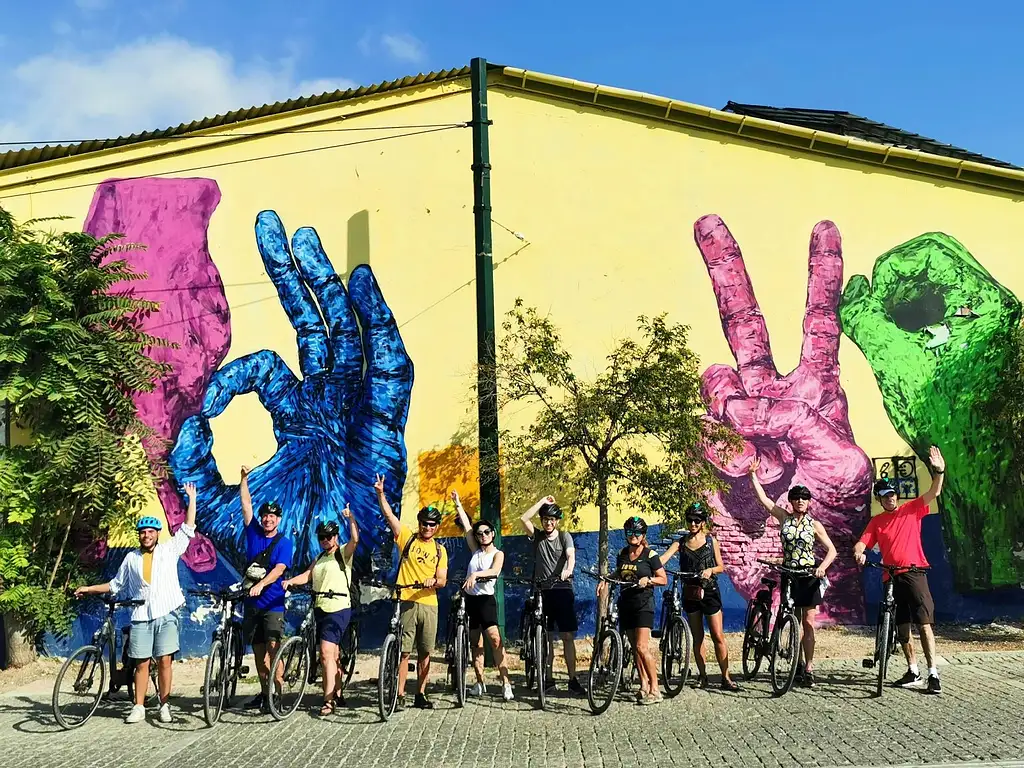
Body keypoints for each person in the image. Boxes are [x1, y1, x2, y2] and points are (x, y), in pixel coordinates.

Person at [75, 483, 198, 724]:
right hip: (141, 615)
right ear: (139, 535)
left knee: (165, 662)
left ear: (157, 533)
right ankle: (139, 706)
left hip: (166, 613)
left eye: (151, 531)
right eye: (143, 532)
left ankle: (164, 705)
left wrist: (191, 499)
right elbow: (115, 585)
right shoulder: (131, 558)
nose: (147, 535)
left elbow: (188, 528)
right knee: (141, 663)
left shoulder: (169, 550)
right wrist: (89, 589)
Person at [854, 445, 946, 694]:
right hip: (890, 576)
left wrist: (939, 472)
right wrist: (859, 551)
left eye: (893, 494)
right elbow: (863, 541)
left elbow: (934, 491)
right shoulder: (877, 521)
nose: (891, 498)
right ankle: (912, 669)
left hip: (914, 573)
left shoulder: (912, 509)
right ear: (880, 499)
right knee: (902, 627)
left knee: (924, 623)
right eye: (885, 496)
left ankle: (933, 673)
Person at [748, 457, 838, 688]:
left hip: (809, 575)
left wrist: (822, 568)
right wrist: (753, 476)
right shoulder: (784, 518)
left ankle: (808, 667)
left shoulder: (815, 525)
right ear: (791, 501)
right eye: (796, 498)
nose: (800, 501)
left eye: (804, 498)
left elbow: (832, 551)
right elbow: (764, 500)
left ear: (809, 502)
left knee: (808, 623)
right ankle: (795, 663)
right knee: (793, 619)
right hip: (789, 573)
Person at [375, 472, 449, 710]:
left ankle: (421, 694)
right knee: (404, 652)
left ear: (437, 527)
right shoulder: (407, 538)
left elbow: (443, 579)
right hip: (406, 600)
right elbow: (389, 516)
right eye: (424, 523)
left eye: (431, 524)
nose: (427, 527)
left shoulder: (440, 550)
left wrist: (433, 581)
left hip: (429, 604)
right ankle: (399, 695)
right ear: (419, 523)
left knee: (425, 652)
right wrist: (380, 494)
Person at [282, 505, 358, 715]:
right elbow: (308, 576)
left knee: (324, 653)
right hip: (320, 608)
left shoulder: (343, 553)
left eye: (328, 536)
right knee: (331, 655)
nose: (325, 540)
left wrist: (351, 518)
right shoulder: (320, 558)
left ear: (335, 537)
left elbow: (355, 540)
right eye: (322, 537)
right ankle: (338, 693)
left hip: (339, 608)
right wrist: (289, 581)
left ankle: (328, 701)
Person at [659, 501, 739, 692]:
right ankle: (702, 676)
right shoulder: (680, 542)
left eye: (697, 520)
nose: (693, 524)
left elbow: (721, 566)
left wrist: (711, 570)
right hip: (690, 593)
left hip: (710, 592)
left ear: (703, 522)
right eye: (690, 520)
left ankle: (725, 677)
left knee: (718, 635)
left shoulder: (712, 542)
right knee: (697, 637)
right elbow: (663, 559)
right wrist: (649, 563)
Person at [239, 465, 294, 711]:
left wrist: (261, 585)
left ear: (278, 519)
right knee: (259, 654)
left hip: (272, 604)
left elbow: (280, 569)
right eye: (265, 515)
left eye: (272, 516)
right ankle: (264, 693)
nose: (268, 519)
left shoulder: (284, 542)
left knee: (274, 650)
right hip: (251, 605)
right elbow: (246, 505)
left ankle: (278, 696)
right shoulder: (254, 533)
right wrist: (243, 479)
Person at [451, 490, 514, 701]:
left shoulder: (498, 553)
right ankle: (479, 682)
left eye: (487, 532)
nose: (483, 535)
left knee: (495, 640)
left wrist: (476, 575)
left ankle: (506, 682)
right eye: (480, 533)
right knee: (475, 644)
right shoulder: (475, 550)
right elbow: (467, 527)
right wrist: (458, 503)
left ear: (493, 534)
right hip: (471, 601)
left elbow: (495, 571)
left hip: (486, 600)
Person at [519, 496, 584, 695]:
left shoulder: (565, 537)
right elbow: (523, 519)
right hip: (542, 591)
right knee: (546, 637)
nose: (548, 522)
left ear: (557, 521)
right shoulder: (538, 536)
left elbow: (571, 555)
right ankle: (547, 679)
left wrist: (567, 569)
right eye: (545, 519)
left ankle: (572, 679)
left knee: (567, 636)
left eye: (552, 519)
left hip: (562, 589)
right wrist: (541, 502)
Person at [599, 516, 667, 704]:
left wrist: (649, 580)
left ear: (643, 535)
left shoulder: (650, 555)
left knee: (642, 647)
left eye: (637, 532)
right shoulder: (623, 553)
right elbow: (619, 572)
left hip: (644, 605)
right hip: (626, 603)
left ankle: (655, 689)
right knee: (634, 648)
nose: (633, 536)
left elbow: (663, 578)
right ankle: (643, 685)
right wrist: (606, 579)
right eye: (630, 532)